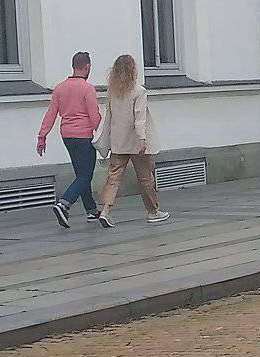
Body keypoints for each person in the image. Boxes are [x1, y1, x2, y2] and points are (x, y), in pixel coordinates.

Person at [96, 54, 170, 228]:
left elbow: (109, 116)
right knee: (145, 178)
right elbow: (139, 118)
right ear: (133, 70)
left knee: (113, 178)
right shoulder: (139, 91)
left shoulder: (112, 91)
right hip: (137, 143)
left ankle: (105, 211)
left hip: (118, 141)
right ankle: (153, 212)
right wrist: (142, 139)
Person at [37, 52, 102, 229]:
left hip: (67, 135)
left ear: (73, 66)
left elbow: (51, 114)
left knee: (81, 173)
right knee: (85, 175)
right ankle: (64, 204)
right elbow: (94, 115)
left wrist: (42, 136)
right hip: (84, 136)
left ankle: (91, 210)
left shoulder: (60, 88)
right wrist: (103, 133)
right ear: (87, 67)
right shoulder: (88, 88)